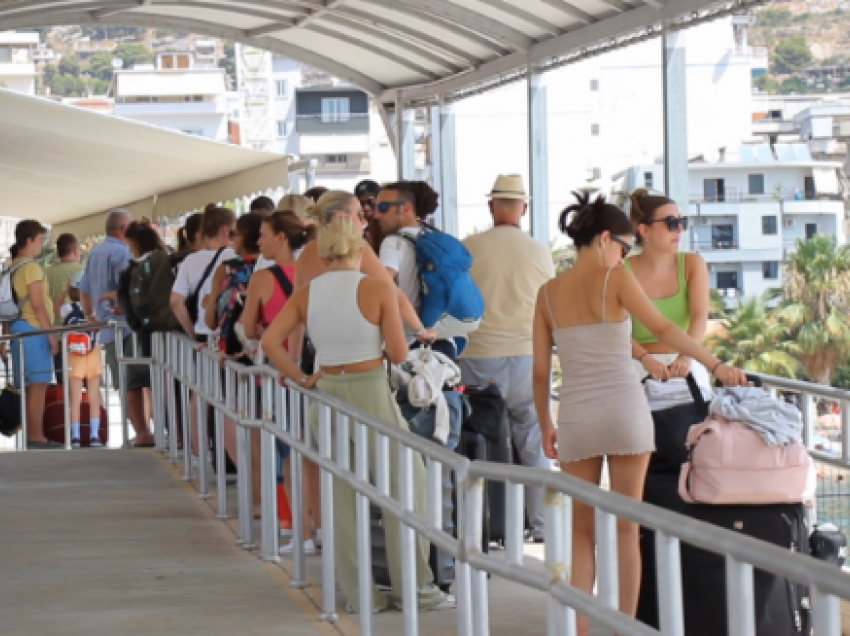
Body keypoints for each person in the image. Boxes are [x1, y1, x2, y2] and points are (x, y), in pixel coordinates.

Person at [532, 192, 747, 636]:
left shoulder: (548, 294)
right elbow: (666, 328)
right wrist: (715, 364)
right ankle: (627, 628)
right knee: (629, 528)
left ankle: (581, 628)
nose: (625, 255)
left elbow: (539, 371)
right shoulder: (616, 279)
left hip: (576, 415)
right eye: (624, 247)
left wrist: (545, 424)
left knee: (582, 530)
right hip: (626, 410)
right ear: (605, 239)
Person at [261, 218, 454, 614]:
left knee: (341, 501)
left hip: (327, 394)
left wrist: (301, 378)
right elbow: (400, 356)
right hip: (370, 394)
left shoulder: (306, 293)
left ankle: (362, 594)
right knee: (405, 490)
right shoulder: (378, 288)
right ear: (359, 247)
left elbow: (268, 342)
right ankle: (415, 589)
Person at [460, 174, 555, 543]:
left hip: (478, 355)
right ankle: (542, 524)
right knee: (532, 439)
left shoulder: (468, 248)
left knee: (475, 441)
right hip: (527, 357)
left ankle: (476, 524)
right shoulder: (539, 251)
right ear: (524, 209)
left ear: (491, 206)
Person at [242, 211, 321, 554]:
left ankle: (302, 532)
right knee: (314, 454)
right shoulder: (314, 270)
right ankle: (319, 528)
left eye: (263, 235)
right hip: (314, 371)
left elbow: (247, 329)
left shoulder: (263, 278)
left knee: (291, 454)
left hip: (279, 375)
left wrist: (264, 331)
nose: (259, 242)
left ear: (282, 237)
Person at [295, 191, 436, 344]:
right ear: (340, 217)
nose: (364, 221)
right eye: (359, 215)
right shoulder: (357, 248)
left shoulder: (304, 255)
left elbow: (296, 316)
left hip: (324, 352)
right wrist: (421, 331)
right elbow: (392, 292)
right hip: (361, 348)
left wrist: (294, 362)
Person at [78, 209, 155, 448]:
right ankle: (153, 431)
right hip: (129, 327)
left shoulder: (95, 253)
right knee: (145, 380)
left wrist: (90, 315)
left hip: (108, 330)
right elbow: (132, 287)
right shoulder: (123, 253)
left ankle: (141, 431)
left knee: (126, 383)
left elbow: (85, 288)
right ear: (123, 230)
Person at [626, 189, 711, 395]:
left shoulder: (692, 264)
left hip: (685, 366)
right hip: (636, 366)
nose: (680, 229)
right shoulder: (622, 272)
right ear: (644, 230)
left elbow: (700, 317)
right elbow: (615, 330)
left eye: (682, 221)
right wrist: (645, 358)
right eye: (671, 222)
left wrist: (686, 356)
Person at [170, 205, 236, 458]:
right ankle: (233, 457)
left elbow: (176, 301)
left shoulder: (190, 260)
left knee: (201, 394)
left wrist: (192, 331)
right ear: (226, 230)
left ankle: (199, 451)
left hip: (204, 336)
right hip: (230, 336)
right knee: (230, 398)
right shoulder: (234, 257)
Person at [373, 181, 455, 356]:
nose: (376, 214)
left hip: (411, 341)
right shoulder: (436, 236)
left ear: (406, 209)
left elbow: (383, 285)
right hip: (443, 339)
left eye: (383, 207)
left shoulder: (392, 242)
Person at [5, 220, 59, 448]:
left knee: (26, 386)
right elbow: (38, 304)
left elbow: (7, 307)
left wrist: (4, 336)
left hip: (16, 329)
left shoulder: (11, 268)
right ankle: (36, 436)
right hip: (34, 329)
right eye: (40, 240)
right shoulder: (32, 268)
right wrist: (51, 333)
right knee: (39, 384)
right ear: (29, 240)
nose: (41, 245)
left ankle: (28, 434)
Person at [60, 270, 104, 449]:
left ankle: (75, 436)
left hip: (74, 355)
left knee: (75, 398)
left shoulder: (69, 308)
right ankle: (94, 435)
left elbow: (57, 308)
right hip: (93, 353)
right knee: (94, 397)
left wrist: (66, 289)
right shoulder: (96, 309)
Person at [46, 232, 84, 385]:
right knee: (86, 381)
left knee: (64, 382)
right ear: (75, 250)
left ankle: (68, 409)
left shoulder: (47, 273)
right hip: (82, 333)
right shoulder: (83, 269)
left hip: (58, 333)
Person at [354, 179, 382, 250]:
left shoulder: (386, 227)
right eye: (361, 203)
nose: (365, 207)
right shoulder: (356, 228)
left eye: (370, 202)